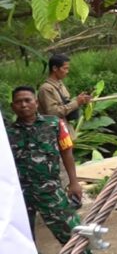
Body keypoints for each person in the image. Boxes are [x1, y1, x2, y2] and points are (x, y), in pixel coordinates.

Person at [7, 86, 88, 252]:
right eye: (19, 102)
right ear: (12, 106)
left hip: (50, 191)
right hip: (19, 196)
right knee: (20, 240)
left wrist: (74, 183)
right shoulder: (7, 133)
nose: (23, 105)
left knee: (72, 233)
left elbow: (67, 153)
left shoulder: (54, 124)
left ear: (36, 103)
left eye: (27, 100)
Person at [37, 53, 91, 137]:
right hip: (55, 134)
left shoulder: (60, 84)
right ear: (55, 68)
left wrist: (80, 100)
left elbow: (65, 104)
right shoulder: (46, 88)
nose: (67, 71)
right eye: (65, 68)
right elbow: (53, 113)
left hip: (66, 130)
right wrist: (76, 103)